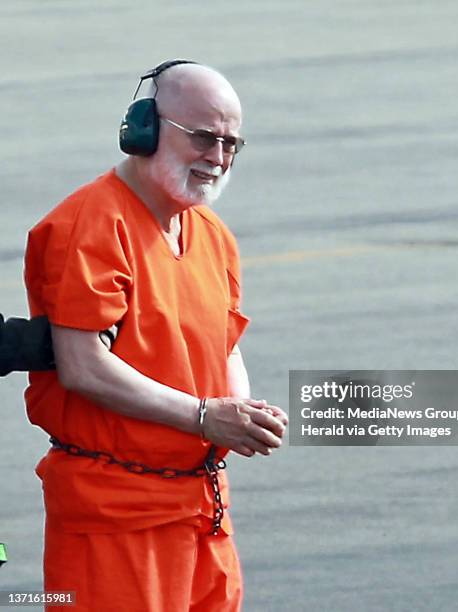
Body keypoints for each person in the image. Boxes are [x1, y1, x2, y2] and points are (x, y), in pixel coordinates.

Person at [24, 60, 288, 612]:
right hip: (114, 520)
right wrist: (204, 416)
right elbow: (83, 365)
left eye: (230, 143)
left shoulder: (211, 233)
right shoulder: (90, 224)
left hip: (202, 511)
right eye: (202, 137)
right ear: (144, 128)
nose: (216, 158)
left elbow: (224, 343)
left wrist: (240, 412)